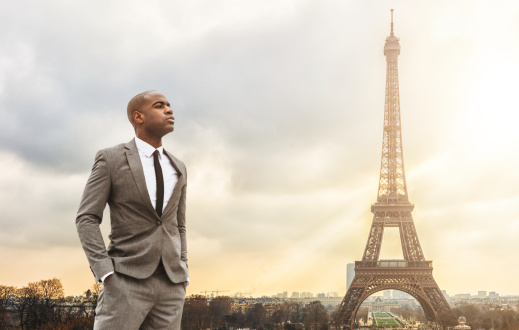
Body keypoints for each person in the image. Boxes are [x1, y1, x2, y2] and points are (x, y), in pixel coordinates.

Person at [76, 90, 189, 329]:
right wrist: (105, 272)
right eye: (160, 106)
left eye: (169, 105)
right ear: (138, 117)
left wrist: (183, 269)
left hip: (171, 284)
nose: (169, 110)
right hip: (124, 280)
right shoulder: (111, 159)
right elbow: (86, 218)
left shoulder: (178, 167)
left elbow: (179, 225)